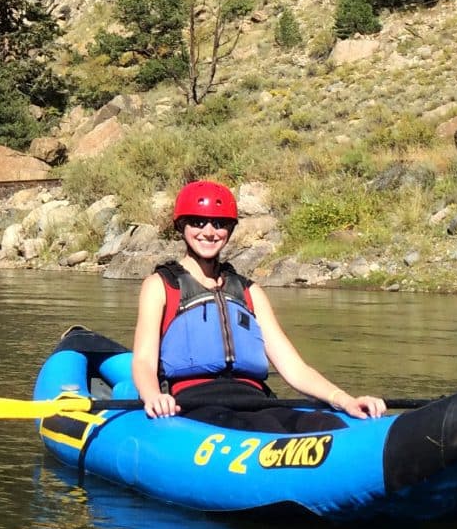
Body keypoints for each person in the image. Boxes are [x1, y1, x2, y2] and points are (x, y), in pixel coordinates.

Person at [132, 180, 384, 424]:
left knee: (321, 423)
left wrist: (343, 399)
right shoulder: (161, 286)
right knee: (245, 424)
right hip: (194, 403)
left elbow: (293, 367)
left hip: (255, 400)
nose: (209, 232)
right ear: (182, 226)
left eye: (219, 224)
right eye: (198, 222)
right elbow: (144, 360)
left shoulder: (249, 291)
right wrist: (153, 396)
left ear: (229, 230)